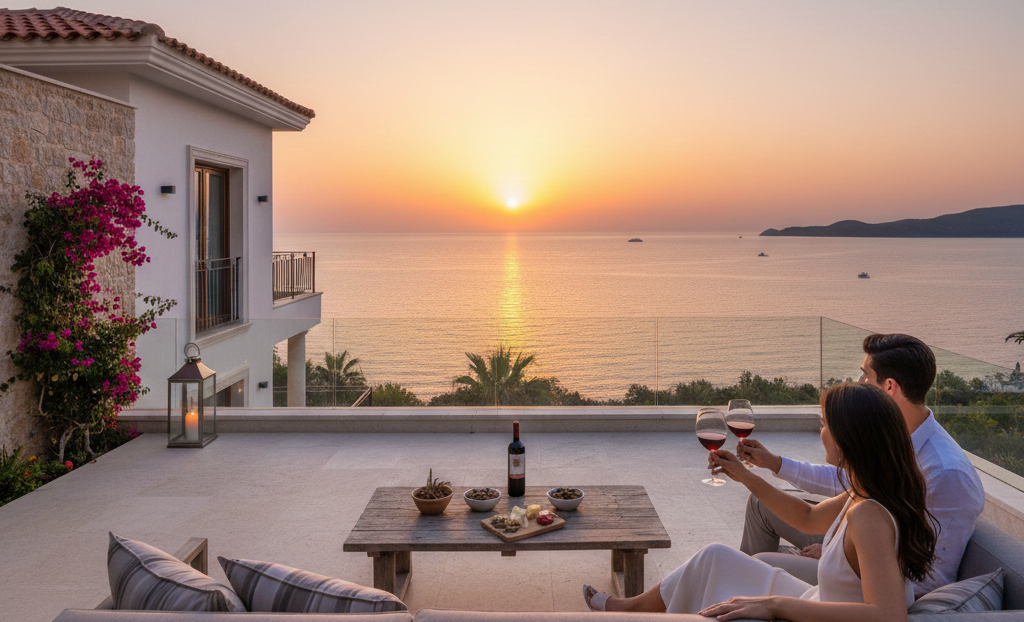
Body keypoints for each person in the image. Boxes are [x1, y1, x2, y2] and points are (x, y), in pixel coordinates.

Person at [583, 383, 936, 621]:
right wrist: (745, 475)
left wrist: (774, 605)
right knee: (714, 557)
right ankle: (631, 607)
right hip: (817, 598)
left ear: (850, 440)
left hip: (816, 613)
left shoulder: (870, 516)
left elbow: (889, 615)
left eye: (825, 424)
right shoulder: (866, 492)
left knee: (723, 582)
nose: (821, 432)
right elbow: (808, 517)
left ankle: (628, 614)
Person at [737, 333, 984, 597]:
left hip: (869, 570)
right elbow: (847, 481)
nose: (860, 382)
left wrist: (842, 561)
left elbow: (932, 579)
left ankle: (754, 589)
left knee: (754, 565)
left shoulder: (945, 472)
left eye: (865, 374)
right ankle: (748, 592)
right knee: (760, 505)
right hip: (853, 541)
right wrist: (776, 464)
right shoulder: (889, 435)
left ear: (889, 386)